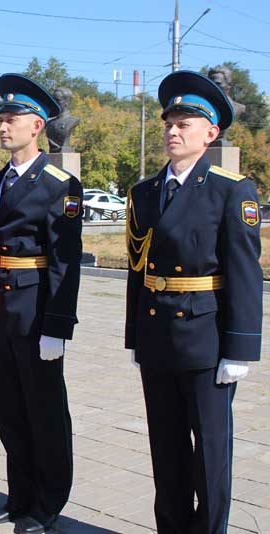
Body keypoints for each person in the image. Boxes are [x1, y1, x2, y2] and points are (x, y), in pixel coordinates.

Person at [125, 70, 263, 534]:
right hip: (157, 334)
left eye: (185, 123)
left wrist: (240, 349)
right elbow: (138, 269)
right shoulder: (144, 192)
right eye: (169, 121)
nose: (172, 130)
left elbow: (245, 272)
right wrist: (133, 336)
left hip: (205, 339)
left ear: (211, 132)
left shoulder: (230, 189)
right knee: (165, 450)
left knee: (210, 451)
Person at [0, 74, 82, 533]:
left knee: (44, 410)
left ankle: (49, 500)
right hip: (0, 307)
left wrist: (58, 325)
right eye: (1, 118)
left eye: (12, 118)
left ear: (36, 125)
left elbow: (65, 261)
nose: (3, 126)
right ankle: (18, 495)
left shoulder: (59, 183)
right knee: (11, 409)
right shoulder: (0, 178)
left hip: (36, 310)